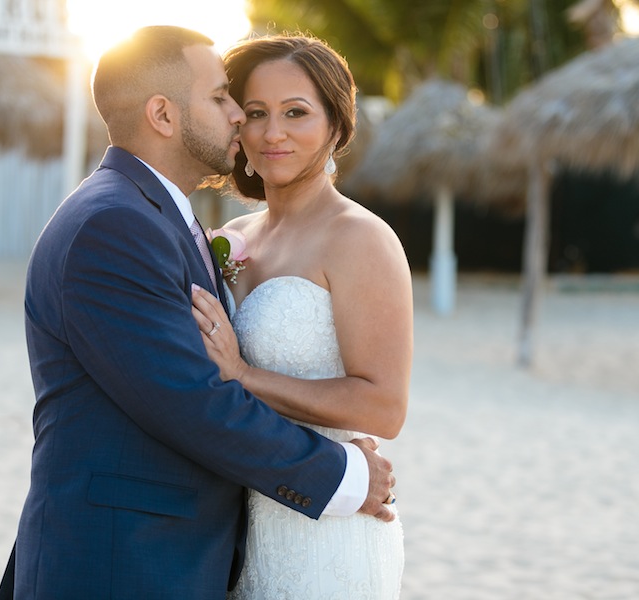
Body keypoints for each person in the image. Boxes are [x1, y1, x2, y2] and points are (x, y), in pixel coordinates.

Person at [0, 26, 397, 600]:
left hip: (195, 551)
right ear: (163, 114)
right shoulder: (115, 225)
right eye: (223, 99)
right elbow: (195, 403)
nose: (240, 117)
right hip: (123, 561)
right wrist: (345, 475)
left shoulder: (157, 219)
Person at [189, 34, 413, 599]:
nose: (272, 133)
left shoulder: (361, 239)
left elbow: (383, 406)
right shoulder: (230, 239)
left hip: (329, 529)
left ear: (336, 125)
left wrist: (245, 377)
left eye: (296, 112)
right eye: (256, 113)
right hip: (235, 525)